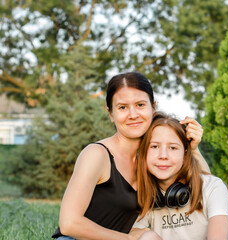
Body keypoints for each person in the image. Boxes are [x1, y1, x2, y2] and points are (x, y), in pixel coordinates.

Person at [51, 72, 209, 240]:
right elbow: (69, 223)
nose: (133, 115)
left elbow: (208, 191)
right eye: (122, 107)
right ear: (111, 114)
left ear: (153, 107)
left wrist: (193, 149)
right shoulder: (97, 155)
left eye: (140, 105)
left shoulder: (153, 159)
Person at [133, 112, 228, 240]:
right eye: (154, 146)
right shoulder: (147, 195)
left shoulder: (213, 187)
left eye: (173, 148)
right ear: (144, 153)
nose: (163, 155)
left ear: (185, 154)